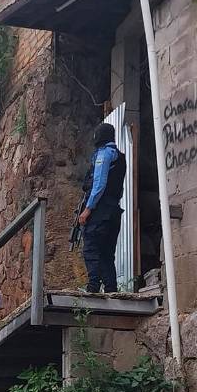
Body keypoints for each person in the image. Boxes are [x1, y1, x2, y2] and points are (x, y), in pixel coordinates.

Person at [78, 122, 127, 293]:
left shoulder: (104, 154)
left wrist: (88, 209)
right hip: (114, 211)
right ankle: (111, 288)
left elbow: (99, 184)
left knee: (91, 247)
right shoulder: (119, 157)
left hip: (101, 212)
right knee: (107, 253)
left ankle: (93, 287)